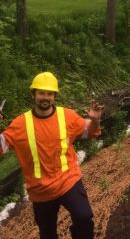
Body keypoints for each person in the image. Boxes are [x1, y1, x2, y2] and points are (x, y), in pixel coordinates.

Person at [0, 72, 103, 239]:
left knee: (84, 217)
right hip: (40, 190)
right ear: (34, 95)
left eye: (49, 93)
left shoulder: (67, 116)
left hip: (68, 180)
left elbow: (89, 132)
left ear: (54, 96)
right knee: (47, 234)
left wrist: (95, 121)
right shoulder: (20, 124)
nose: (45, 97)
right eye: (41, 93)